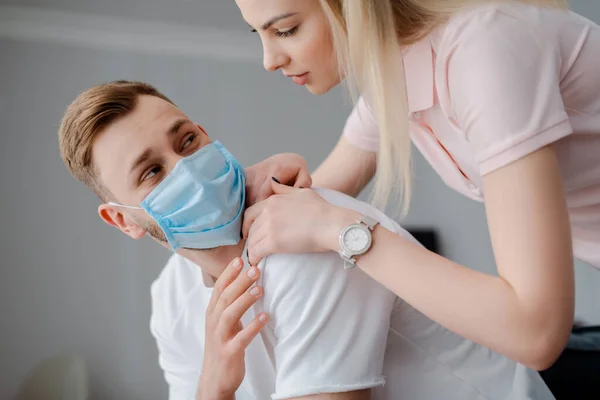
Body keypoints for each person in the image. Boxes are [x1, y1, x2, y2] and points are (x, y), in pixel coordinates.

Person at [58, 80, 555, 400]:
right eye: (151, 172)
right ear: (122, 220)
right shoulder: (169, 298)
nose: (186, 168)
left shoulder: (309, 244)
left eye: (186, 140)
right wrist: (213, 387)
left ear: (205, 133)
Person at [235, 0, 600, 371]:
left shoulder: (483, 46)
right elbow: (302, 210)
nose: (270, 60)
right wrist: (254, 198)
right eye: (258, 32)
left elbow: (534, 333)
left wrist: (341, 229)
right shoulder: (397, 69)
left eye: (285, 30)